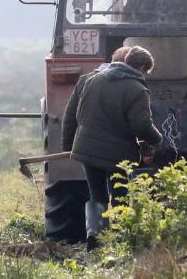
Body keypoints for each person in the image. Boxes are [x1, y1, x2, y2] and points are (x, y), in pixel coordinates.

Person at [70, 46, 163, 249]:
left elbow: (77, 115)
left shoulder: (93, 80)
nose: (145, 76)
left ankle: (95, 235)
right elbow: (141, 126)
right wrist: (157, 140)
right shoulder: (137, 89)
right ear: (140, 67)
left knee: (97, 194)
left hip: (87, 148)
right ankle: (123, 238)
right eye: (146, 72)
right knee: (120, 193)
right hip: (117, 154)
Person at [61, 45, 132, 153]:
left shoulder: (85, 79)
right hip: (118, 150)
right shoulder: (132, 85)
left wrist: (68, 147)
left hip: (88, 150)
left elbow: (70, 116)